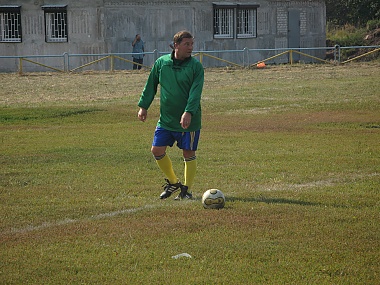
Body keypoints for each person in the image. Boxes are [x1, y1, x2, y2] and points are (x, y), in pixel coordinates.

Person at [137, 30, 204, 200]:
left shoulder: (196, 67)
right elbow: (150, 85)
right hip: (166, 119)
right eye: (186, 44)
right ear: (176, 45)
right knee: (156, 150)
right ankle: (174, 183)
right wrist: (143, 106)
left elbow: (195, 93)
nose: (190, 48)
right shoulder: (161, 63)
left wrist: (188, 112)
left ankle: (187, 190)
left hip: (189, 120)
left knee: (188, 153)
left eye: (192, 44)